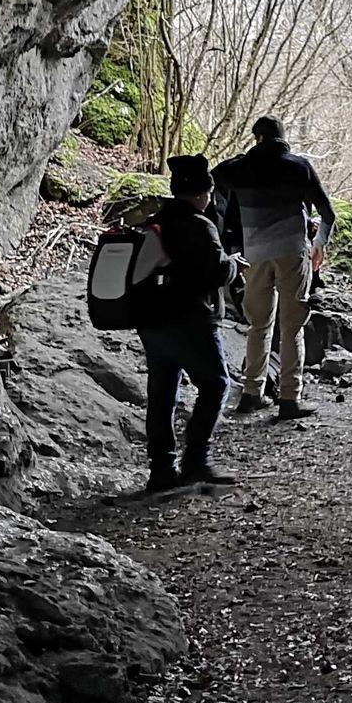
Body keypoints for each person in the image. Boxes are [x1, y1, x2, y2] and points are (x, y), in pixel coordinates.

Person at [212, 115, 334, 421]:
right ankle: (290, 398)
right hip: (292, 252)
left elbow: (209, 183)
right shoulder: (299, 167)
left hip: (254, 254)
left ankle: (252, 393)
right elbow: (327, 213)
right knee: (292, 327)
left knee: (258, 325)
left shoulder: (237, 168)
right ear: (283, 137)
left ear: (258, 138)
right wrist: (319, 243)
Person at [138, 154, 245, 490]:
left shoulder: (155, 221)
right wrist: (234, 264)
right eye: (209, 192)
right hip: (189, 318)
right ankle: (196, 461)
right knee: (216, 384)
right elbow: (216, 271)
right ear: (202, 193)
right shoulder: (199, 225)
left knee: (162, 393)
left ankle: (161, 469)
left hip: (151, 318)